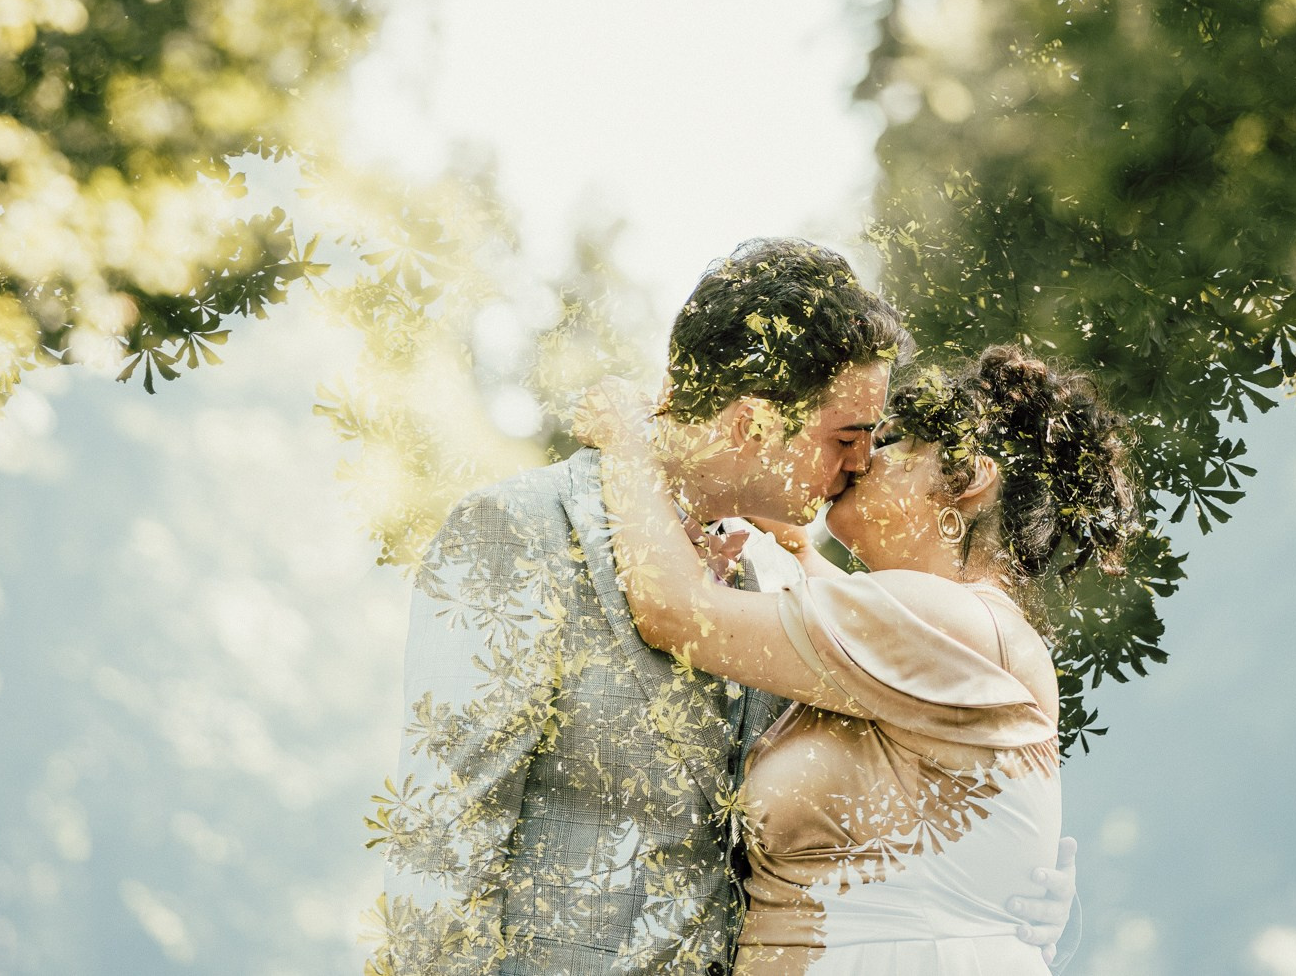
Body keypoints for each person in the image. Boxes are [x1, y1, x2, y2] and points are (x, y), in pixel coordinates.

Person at [371, 240, 1077, 975]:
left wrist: (1014, 897)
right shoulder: (521, 531)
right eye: (848, 437)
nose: (863, 463)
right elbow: (442, 842)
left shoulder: (781, 582)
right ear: (752, 426)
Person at [592, 345, 1137, 975]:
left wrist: (624, 442)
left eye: (896, 441)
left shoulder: (951, 622)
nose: (863, 458)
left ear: (970, 478)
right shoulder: (948, 630)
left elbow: (677, 615)